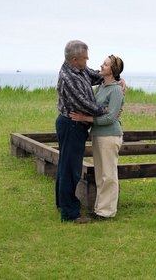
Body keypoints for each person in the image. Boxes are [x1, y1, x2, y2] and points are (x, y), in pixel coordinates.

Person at [55, 40, 126, 224]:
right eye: (85, 58)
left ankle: (63, 204)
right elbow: (83, 104)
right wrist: (106, 111)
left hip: (76, 125)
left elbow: (98, 76)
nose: (89, 61)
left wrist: (119, 79)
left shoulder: (80, 70)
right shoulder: (68, 77)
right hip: (71, 124)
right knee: (70, 170)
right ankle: (70, 212)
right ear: (74, 59)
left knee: (66, 166)